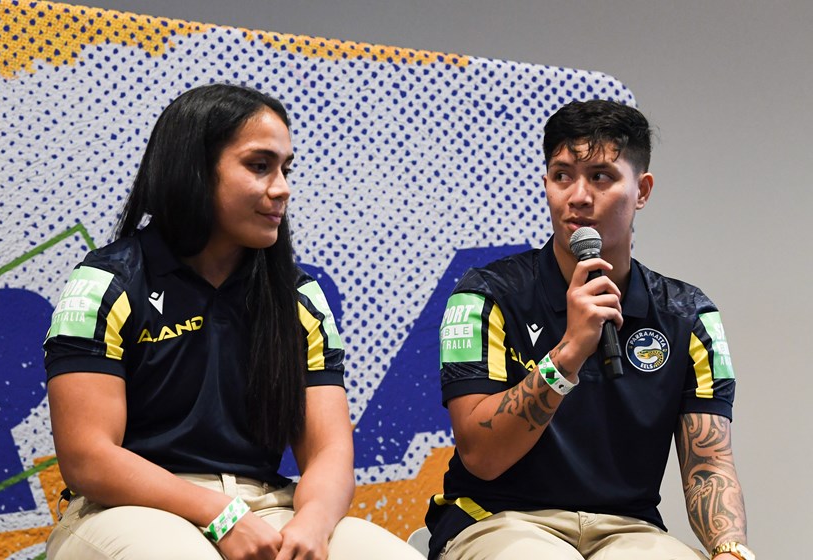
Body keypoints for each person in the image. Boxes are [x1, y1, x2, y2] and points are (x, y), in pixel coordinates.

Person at [43, 83, 424, 560]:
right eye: (259, 166)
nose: (282, 187)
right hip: (124, 509)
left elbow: (329, 455)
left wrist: (312, 522)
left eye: (286, 168)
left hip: (268, 506)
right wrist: (220, 514)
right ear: (193, 170)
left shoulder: (299, 296)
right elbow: (87, 459)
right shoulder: (106, 280)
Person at [425, 99, 753, 560]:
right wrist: (569, 351)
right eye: (562, 175)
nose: (578, 196)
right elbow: (481, 456)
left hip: (628, 531)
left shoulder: (688, 314)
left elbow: (709, 465)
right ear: (546, 185)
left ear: (642, 190)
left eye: (600, 176)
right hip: (498, 520)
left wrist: (730, 548)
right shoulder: (486, 295)